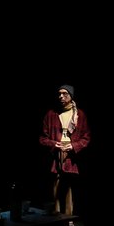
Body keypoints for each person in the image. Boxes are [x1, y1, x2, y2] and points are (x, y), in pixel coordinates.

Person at [39, 83, 90, 215]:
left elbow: (86, 138)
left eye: (64, 94)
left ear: (71, 96)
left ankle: (69, 217)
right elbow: (42, 138)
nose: (61, 96)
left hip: (72, 154)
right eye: (59, 94)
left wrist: (73, 146)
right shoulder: (51, 114)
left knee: (69, 186)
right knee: (56, 186)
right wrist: (53, 144)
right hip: (56, 153)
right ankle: (56, 216)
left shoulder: (79, 114)